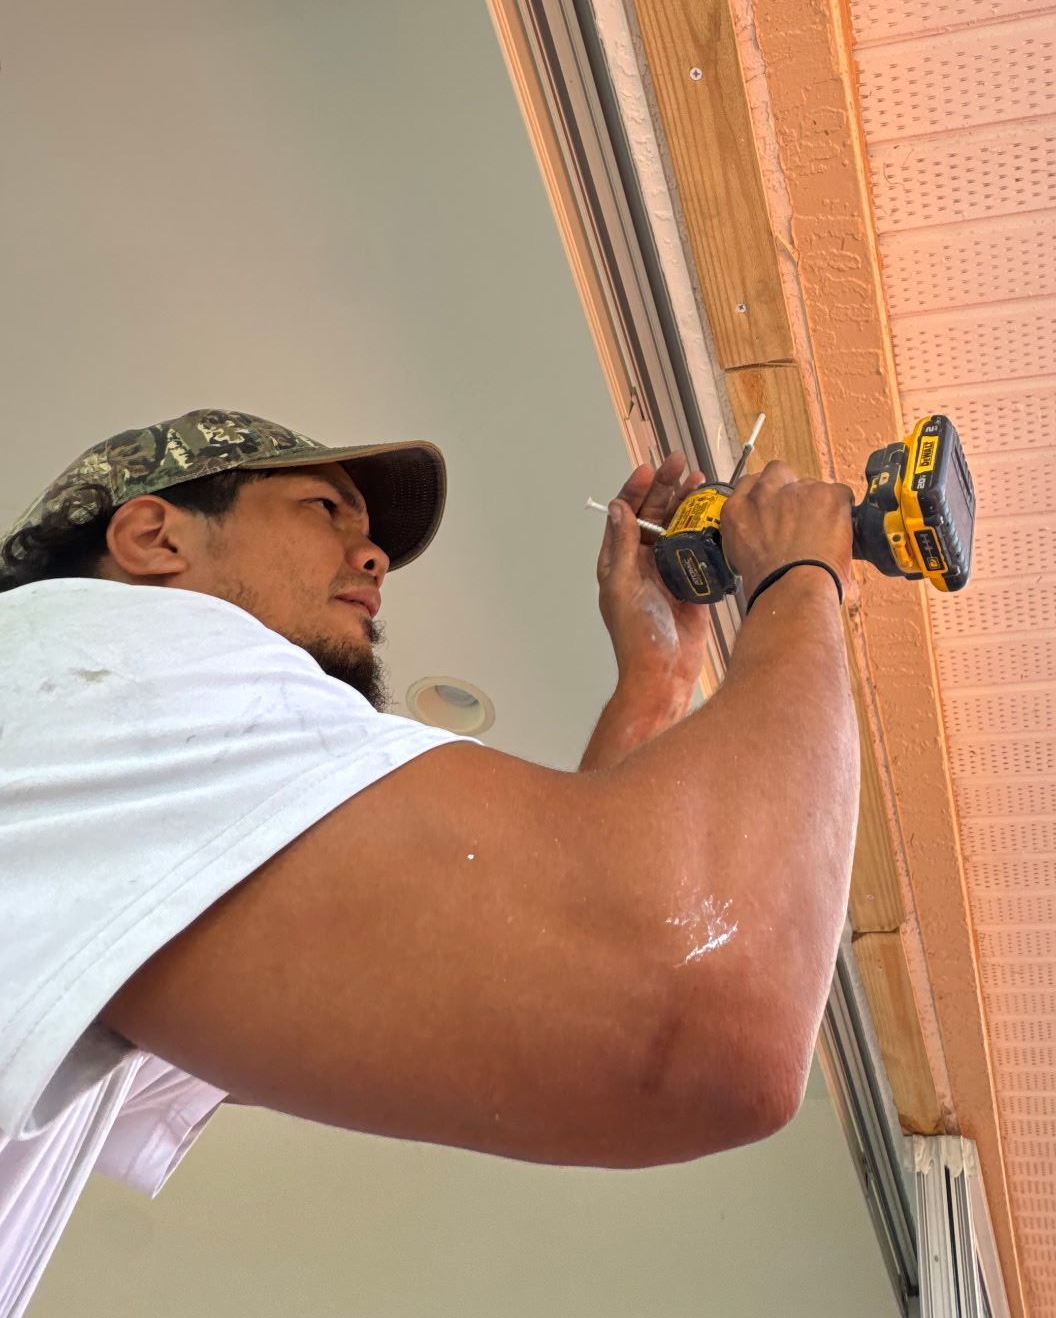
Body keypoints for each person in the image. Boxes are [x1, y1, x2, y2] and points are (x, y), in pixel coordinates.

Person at [0, 409, 857, 1317]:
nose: (373, 559)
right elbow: (704, 1016)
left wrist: (656, 679)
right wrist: (800, 583)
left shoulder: (89, 790)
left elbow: (553, 995)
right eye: (325, 508)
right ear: (151, 535)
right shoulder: (118, 662)